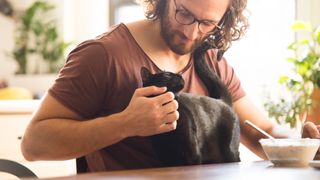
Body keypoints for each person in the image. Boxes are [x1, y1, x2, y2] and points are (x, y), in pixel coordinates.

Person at [21, 0, 320, 172]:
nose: (192, 32)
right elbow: (34, 144)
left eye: (207, 23)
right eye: (184, 13)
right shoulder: (103, 55)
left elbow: (261, 132)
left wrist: (303, 143)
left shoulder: (211, 59)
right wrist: (124, 124)